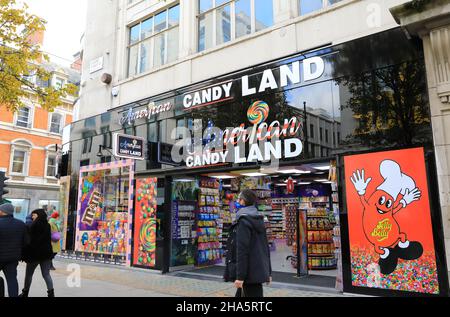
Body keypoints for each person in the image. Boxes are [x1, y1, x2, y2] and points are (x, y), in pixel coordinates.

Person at [224, 189, 272, 297]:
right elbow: (265, 248)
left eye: (239, 199)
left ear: (243, 202)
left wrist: (240, 277)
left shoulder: (243, 222)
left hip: (248, 275)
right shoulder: (259, 219)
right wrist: (268, 272)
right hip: (256, 272)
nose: (237, 201)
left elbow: (242, 251)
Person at [20, 209, 55, 297]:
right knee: (46, 274)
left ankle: (25, 292)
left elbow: (30, 241)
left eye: (34, 215)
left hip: (34, 255)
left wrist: (25, 253)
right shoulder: (47, 225)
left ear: (38, 215)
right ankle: (51, 293)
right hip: (46, 254)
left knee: (28, 275)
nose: (32, 217)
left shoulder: (33, 225)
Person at [0, 203, 27, 297]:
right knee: (12, 280)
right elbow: (26, 242)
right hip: (12, 258)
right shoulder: (21, 224)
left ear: (3, 212)